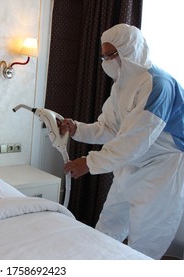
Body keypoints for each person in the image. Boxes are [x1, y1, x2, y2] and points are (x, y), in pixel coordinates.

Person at [61, 23, 184, 259]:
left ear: (131, 50)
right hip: (130, 164)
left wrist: (88, 163)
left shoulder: (158, 85)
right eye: (104, 56)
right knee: (108, 225)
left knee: (145, 239)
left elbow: (136, 139)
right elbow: (110, 127)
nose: (106, 61)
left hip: (161, 169)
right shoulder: (121, 85)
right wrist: (77, 129)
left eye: (111, 55)